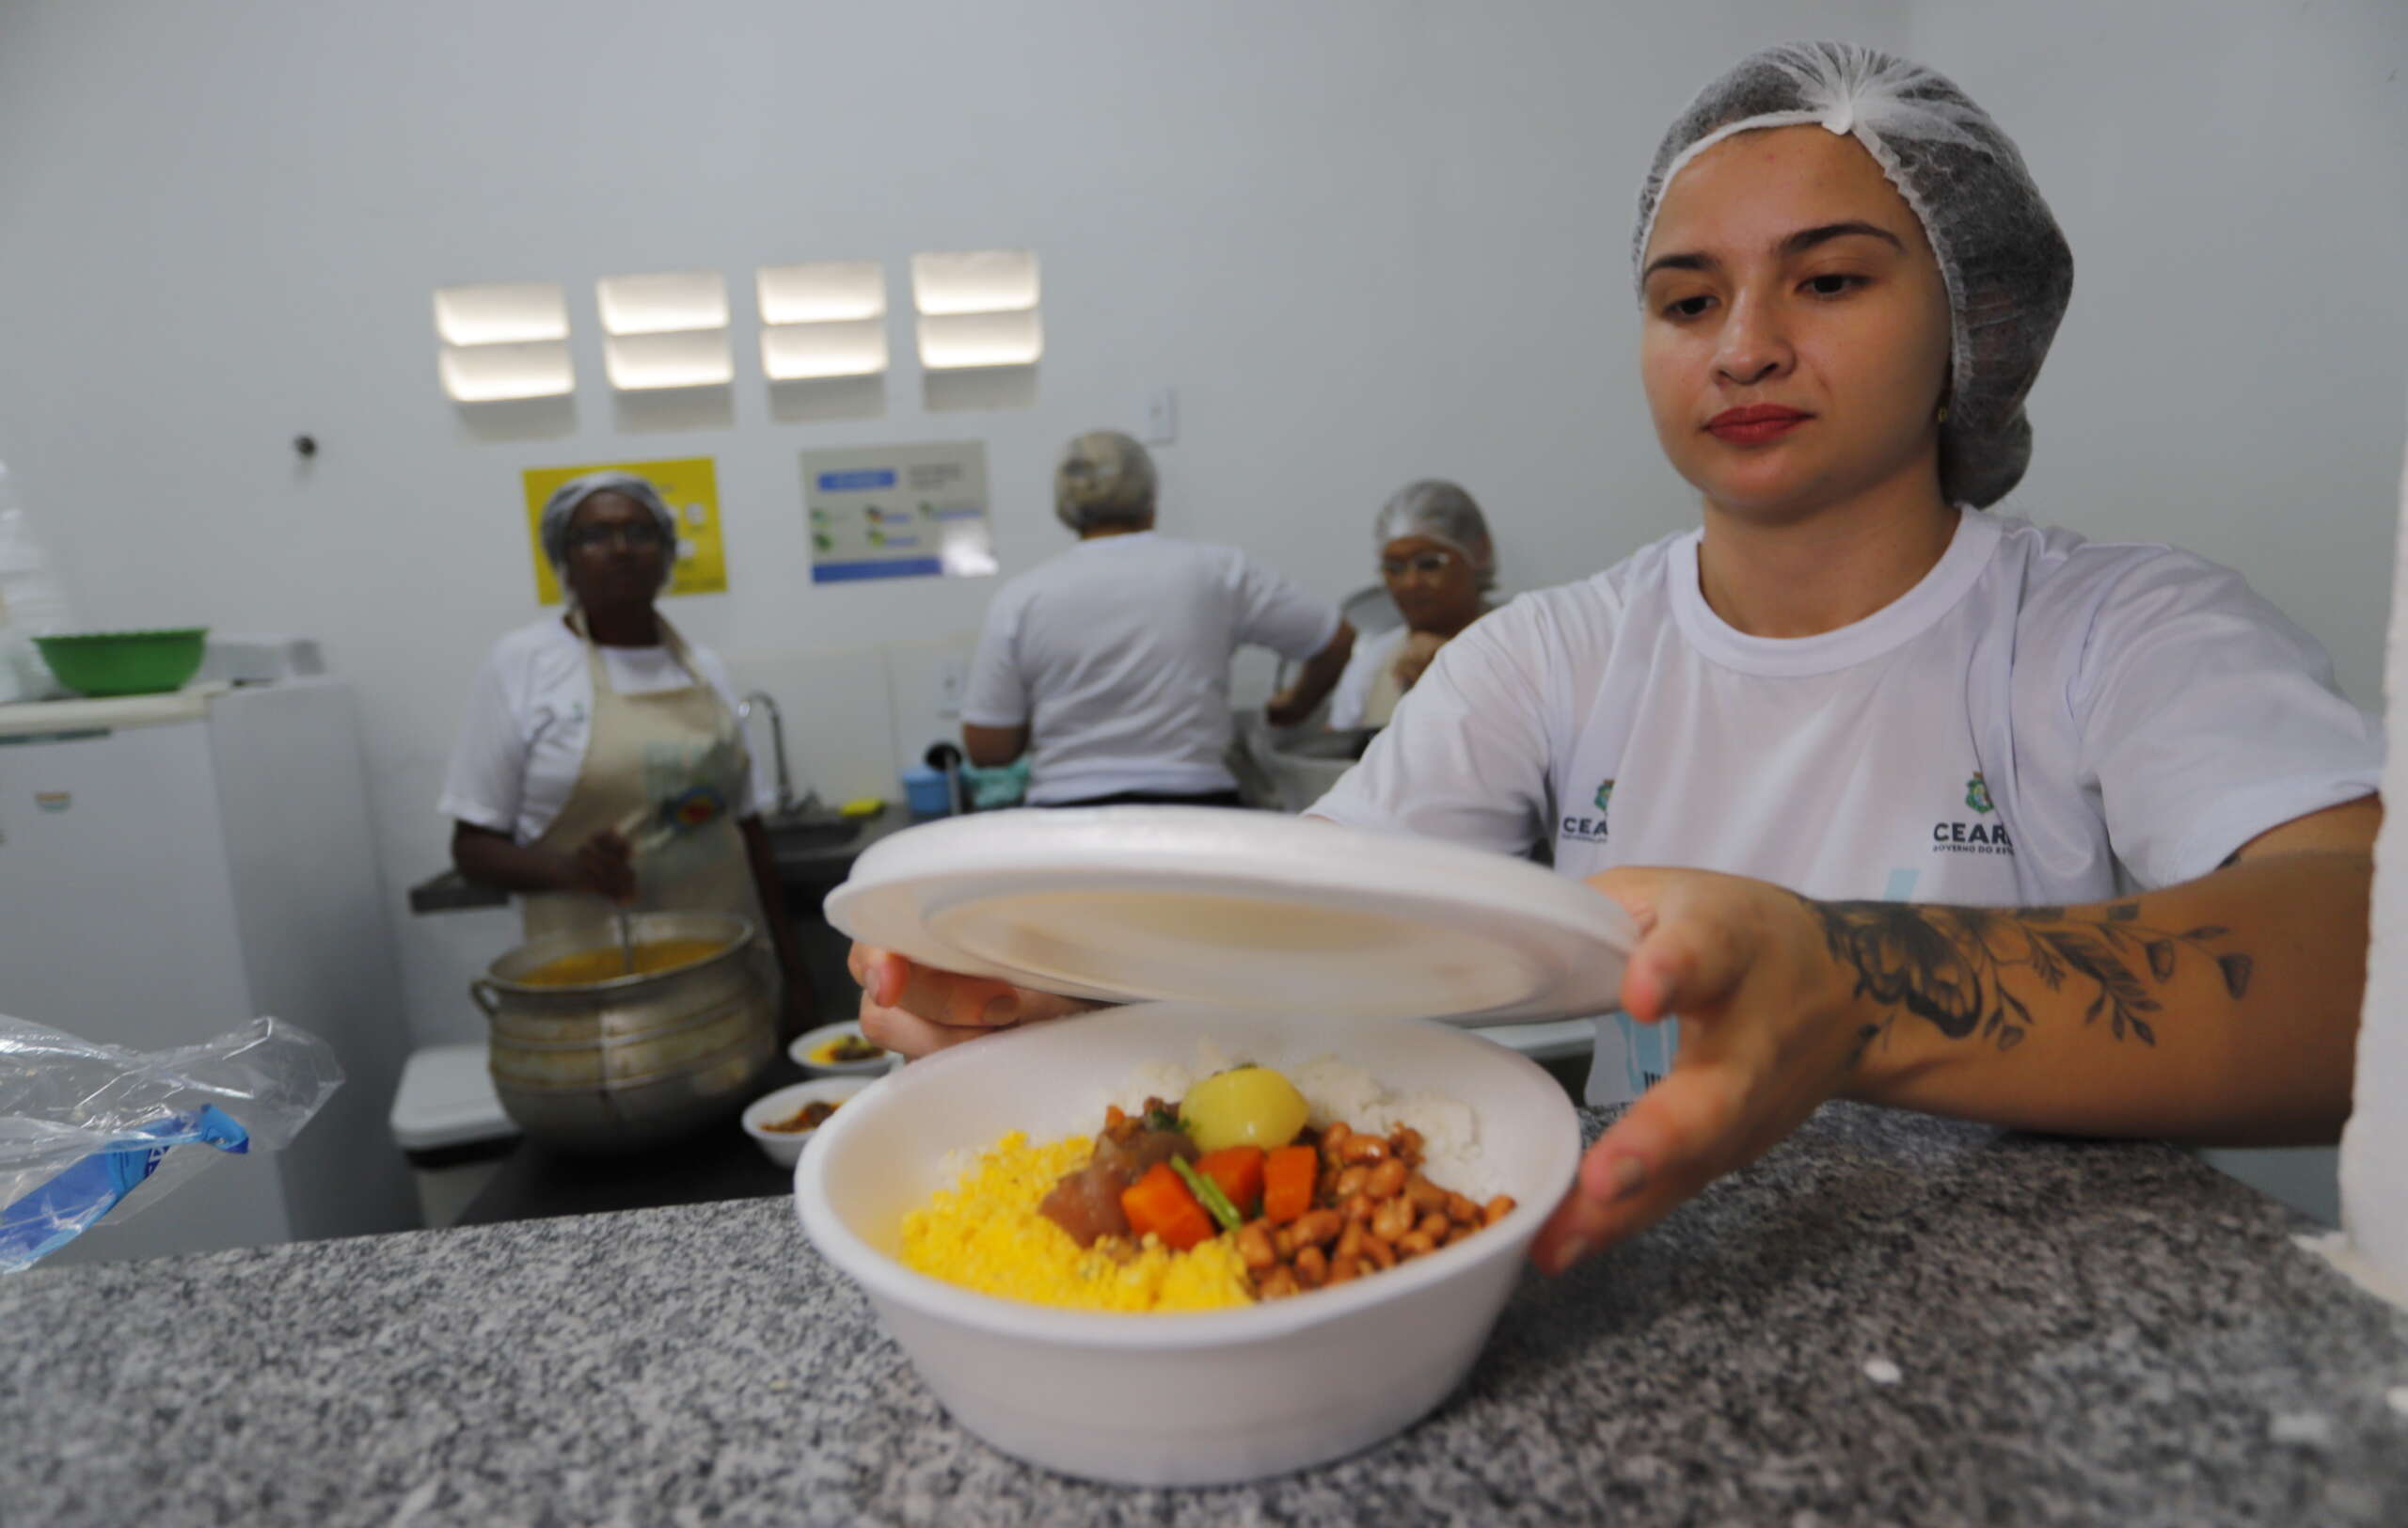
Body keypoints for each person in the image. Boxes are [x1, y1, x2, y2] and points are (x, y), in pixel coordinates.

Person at [850, 43, 2382, 1279]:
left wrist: (1846, 981)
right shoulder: (1556, 657)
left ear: (1971, 328)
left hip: (2063, 1327)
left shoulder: (2120, 632)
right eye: (1688, 299)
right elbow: (1306, 926)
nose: (1744, 346)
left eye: (1831, 280)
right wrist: (1087, 991)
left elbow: (2364, 959)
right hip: (1646, 1285)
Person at [442, 470, 814, 1036]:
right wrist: (570, 870)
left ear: (667, 555)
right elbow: (472, 849)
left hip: (728, 978)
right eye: (594, 536)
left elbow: (749, 830)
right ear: (562, 560)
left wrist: (793, 970)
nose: (620, 548)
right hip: (600, 995)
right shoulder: (524, 663)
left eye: (640, 532)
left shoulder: (702, 667)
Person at [959, 430, 1356, 805]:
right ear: (1151, 499)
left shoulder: (1022, 599)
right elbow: (1335, 640)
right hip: (1195, 811)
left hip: (1067, 824)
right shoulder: (1218, 571)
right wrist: (1295, 707)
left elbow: (987, 747)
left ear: (1066, 510)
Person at [1326, 480, 1497, 732]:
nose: (1410, 583)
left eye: (1429, 564)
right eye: (1394, 568)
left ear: (1479, 552)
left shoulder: (1520, 643)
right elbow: (1335, 751)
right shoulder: (1373, 663)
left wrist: (1456, 665)